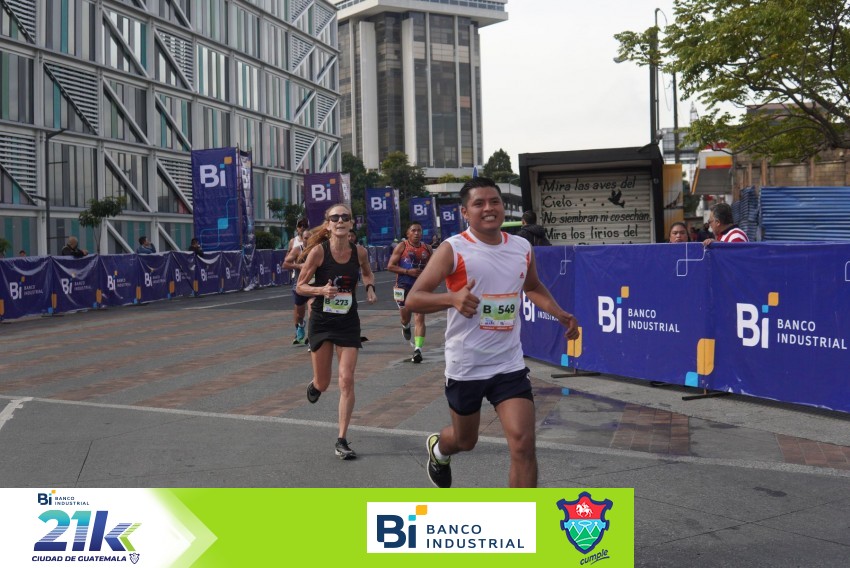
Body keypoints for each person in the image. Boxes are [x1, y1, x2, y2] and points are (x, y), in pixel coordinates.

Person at [405, 177, 580, 488]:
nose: (489, 208)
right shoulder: (453, 249)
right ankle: (439, 450)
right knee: (465, 440)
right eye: (479, 203)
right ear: (465, 212)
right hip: (466, 364)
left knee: (523, 444)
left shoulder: (521, 247)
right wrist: (452, 299)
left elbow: (533, 286)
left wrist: (558, 312)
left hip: (508, 364)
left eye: (494, 201)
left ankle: (519, 516)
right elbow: (414, 299)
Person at [296, 204, 377, 460]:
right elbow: (300, 286)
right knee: (324, 382)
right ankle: (315, 385)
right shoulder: (318, 252)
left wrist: (370, 287)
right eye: (335, 218)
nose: (340, 220)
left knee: (346, 379)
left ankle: (341, 439)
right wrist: (321, 290)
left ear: (351, 223)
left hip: (347, 322)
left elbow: (367, 273)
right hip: (322, 321)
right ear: (328, 224)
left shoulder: (359, 252)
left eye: (345, 217)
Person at [387, 222, 433, 363]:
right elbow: (390, 266)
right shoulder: (402, 246)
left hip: (420, 288)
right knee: (405, 317)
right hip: (403, 287)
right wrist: (407, 271)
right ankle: (405, 326)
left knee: (420, 318)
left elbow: (433, 267)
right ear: (408, 233)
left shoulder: (427, 248)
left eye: (419, 230)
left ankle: (418, 350)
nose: (417, 233)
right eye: (413, 230)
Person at [283, 219, 311, 345]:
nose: (302, 227)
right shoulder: (295, 245)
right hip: (299, 282)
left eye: (304, 225)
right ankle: (300, 325)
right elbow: (285, 263)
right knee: (299, 313)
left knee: (313, 310)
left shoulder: (317, 248)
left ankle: (312, 339)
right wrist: (298, 266)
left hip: (313, 284)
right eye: (300, 226)